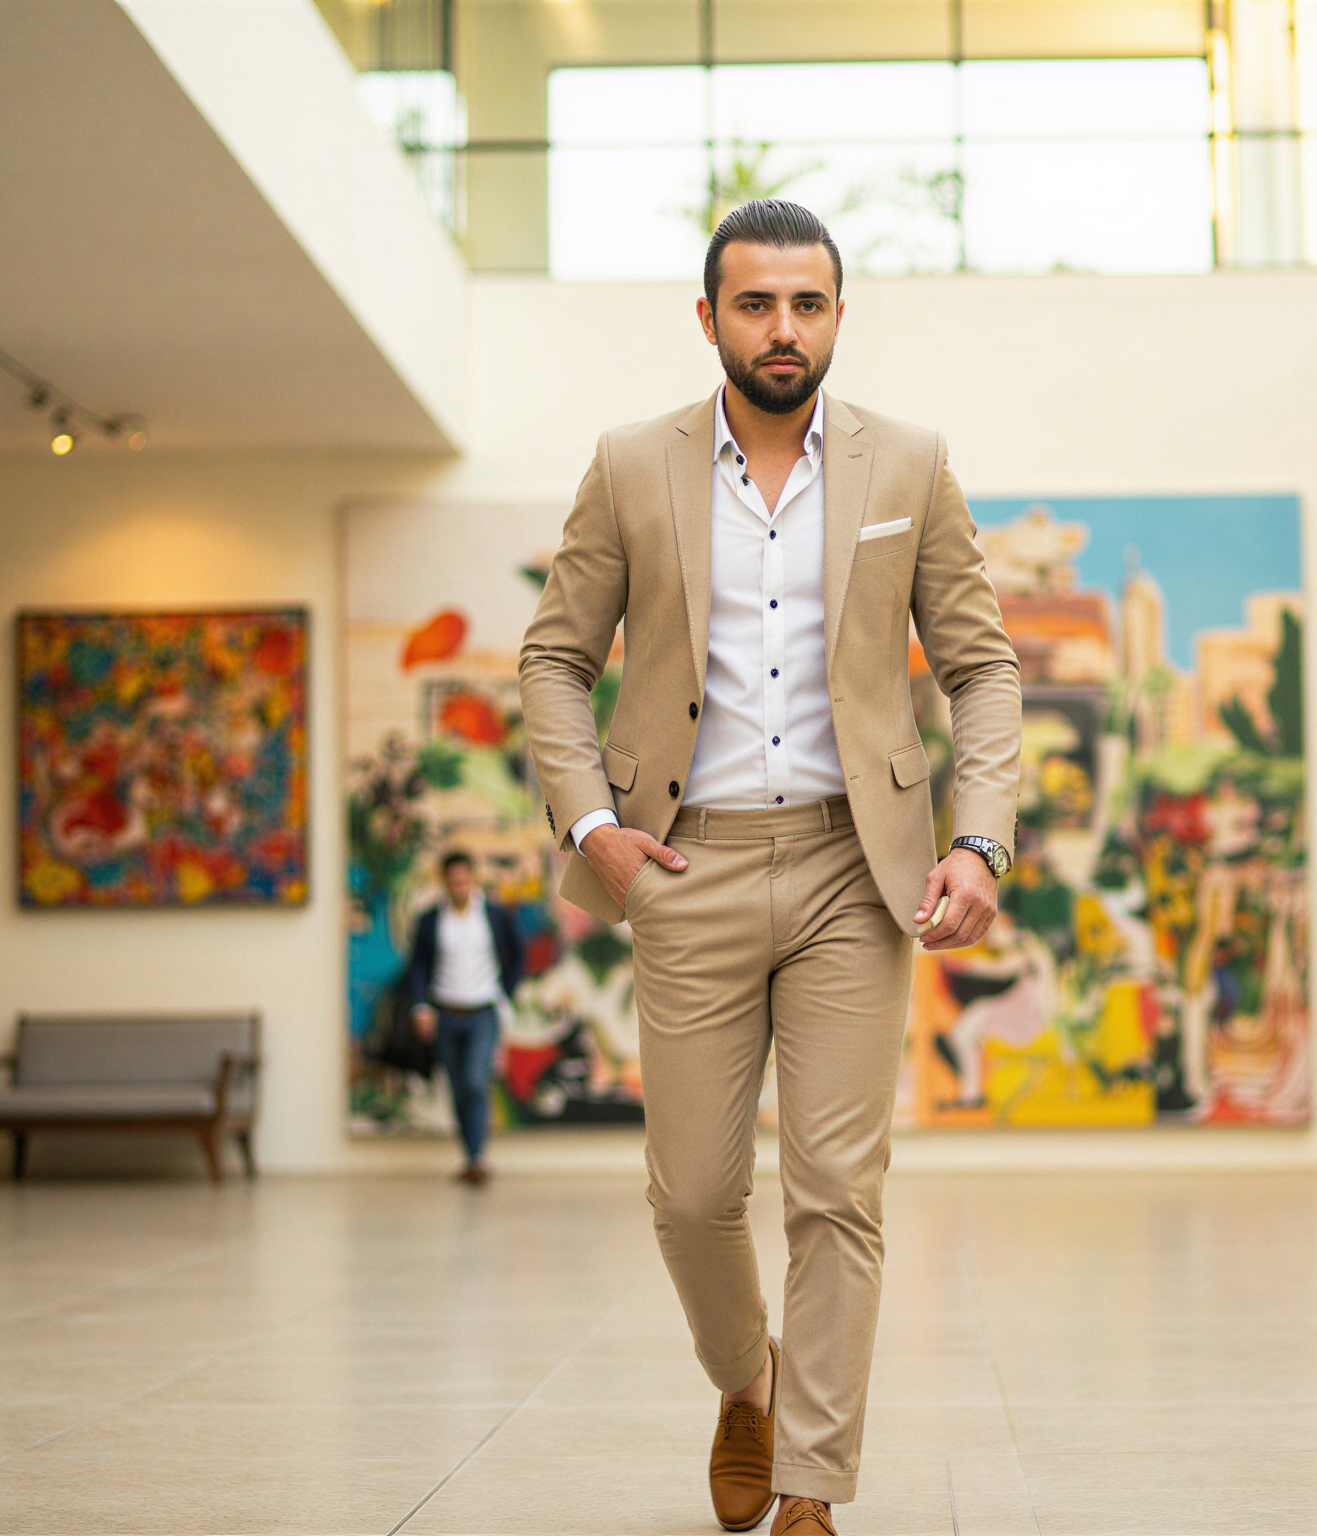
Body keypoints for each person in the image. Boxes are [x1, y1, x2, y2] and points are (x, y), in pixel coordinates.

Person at [519, 200, 1021, 1536]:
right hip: (685, 862)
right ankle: (749, 1384)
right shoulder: (631, 465)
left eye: (806, 303)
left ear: (839, 314)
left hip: (859, 869)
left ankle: (810, 1491)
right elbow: (554, 658)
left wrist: (978, 838)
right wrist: (590, 826)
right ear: (710, 319)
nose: (782, 328)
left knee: (837, 1191)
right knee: (691, 1195)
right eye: (755, 304)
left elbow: (979, 668)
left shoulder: (908, 463)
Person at [404, 849, 525, 1186]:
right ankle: (470, 1157)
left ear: (473, 879)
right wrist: (421, 1007)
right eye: (453, 881)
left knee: (475, 1080)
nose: (459, 886)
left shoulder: (493, 916)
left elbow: (516, 955)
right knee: (457, 1088)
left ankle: (478, 1158)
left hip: (483, 1011)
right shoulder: (430, 920)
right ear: (444, 883)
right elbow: (418, 966)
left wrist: (505, 992)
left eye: (464, 880)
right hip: (444, 1013)